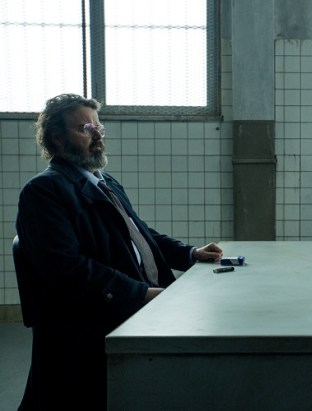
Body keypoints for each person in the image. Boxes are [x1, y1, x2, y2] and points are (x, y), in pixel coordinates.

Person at [15, 93, 223, 410]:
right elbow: (67, 269)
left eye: (98, 127)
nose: (98, 135)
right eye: (85, 129)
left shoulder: (104, 182)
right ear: (57, 138)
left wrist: (190, 254)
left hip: (132, 301)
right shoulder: (44, 191)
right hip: (94, 320)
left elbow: (138, 234)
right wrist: (140, 294)